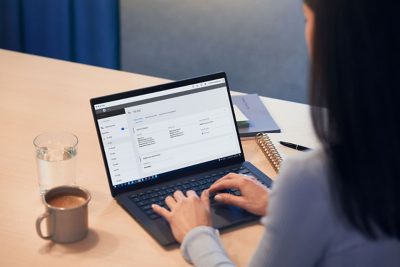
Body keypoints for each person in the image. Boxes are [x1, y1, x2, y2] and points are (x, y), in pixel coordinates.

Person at [151, 0, 400, 265]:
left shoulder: (315, 179)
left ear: (335, 39)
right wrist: (285, 209)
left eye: (307, 20)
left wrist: (197, 234)